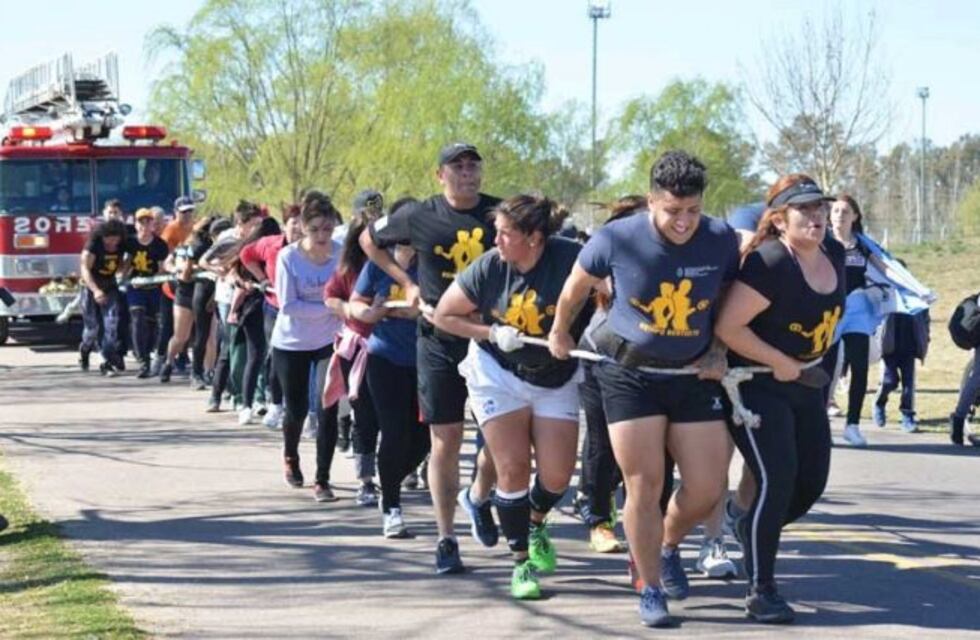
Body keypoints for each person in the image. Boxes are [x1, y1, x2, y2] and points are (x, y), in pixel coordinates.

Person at [549, 151, 738, 627]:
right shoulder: (618, 237)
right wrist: (559, 330)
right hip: (629, 373)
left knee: (707, 486)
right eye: (673, 211)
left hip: (693, 374)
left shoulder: (719, 239)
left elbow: (727, 301)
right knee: (644, 483)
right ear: (652, 201)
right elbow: (575, 286)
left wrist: (718, 349)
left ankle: (667, 544)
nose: (684, 222)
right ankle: (650, 586)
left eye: (693, 210)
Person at [435, 195, 587, 599]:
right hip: (496, 373)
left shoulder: (573, 259)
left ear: (535, 238)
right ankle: (521, 564)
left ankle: (535, 521)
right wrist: (490, 332)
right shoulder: (489, 267)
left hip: (556, 376)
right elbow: (444, 315)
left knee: (556, 475)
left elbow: (609, 292)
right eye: (496, 231)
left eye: (505, 233)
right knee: (514, 467)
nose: (496, 240)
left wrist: (577, 334)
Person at [360, 142, 501, 574]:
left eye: (473, 166)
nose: (467, 173)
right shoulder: (418, 214)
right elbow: (369, 239)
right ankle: (446, 538)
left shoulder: (500, 214)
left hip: (491, 338)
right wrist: (407, 281)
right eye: (457, 167)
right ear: (440, 175)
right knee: (446, 439)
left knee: (499, 437)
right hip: (439, 338)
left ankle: (478, 496)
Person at [714, 173, 844, 624]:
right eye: (804, 210)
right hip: (757, 384)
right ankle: (760, 590)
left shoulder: (835, 254)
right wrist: (779, 360)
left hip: (805, 384)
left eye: (820, 208)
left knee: (811, 484)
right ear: (780, 219)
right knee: (777, 478)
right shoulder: (769, 263)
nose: (816, 216)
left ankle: (750, 529)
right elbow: (728, 328)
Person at [349, 197, 430, 537]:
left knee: (424, 441)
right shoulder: (377, 264)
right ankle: (392, 506)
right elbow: (356, 303)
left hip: (427, 359)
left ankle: (389, 480)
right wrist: (370, 312)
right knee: (394, 433)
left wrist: (420, 310)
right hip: (384, 357)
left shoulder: (432, 264)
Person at [270, 191, 344, 501]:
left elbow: (348, 292)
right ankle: (290, 456)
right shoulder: (289, 257)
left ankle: (322, 478)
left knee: (327, 406)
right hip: (291, 342)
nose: (322, 236)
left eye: (327, 229)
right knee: (297, 409)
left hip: (328, 340)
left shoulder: (340, 254)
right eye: (314, 230)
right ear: (302, 227)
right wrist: (331, 306)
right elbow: (288, 305)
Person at [323, 190, 385, 507]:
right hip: (358, 346)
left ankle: (404, 468)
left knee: (399, 417)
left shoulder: (396, 264)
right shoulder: (347, 267)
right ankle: (366, 480)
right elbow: (331, 296)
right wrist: (351, 310)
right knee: (365, 416)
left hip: (395, 348)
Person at [828, 195, 890, 447]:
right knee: (825, 365)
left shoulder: (863, 245)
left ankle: (852, 425)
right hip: (828, 310)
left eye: (845, 211)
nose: (840, 215)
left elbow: (888, 269)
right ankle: (819, 420)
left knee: (860, 367)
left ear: (855, 216)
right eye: (835, 211)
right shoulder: (822, 243)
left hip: (857, 308)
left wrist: (914, 290)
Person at [240, 204, 303, 429]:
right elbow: (246, 254)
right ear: (285, 224)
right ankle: (275, 404)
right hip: (275, 307)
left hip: (304, 312)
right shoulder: (270, 244)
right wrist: (262, 278)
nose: (298, 226)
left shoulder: (311, 248)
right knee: (277, 355)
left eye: (302, 221)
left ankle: (301, 409)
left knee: (302, 360)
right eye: (294, 221)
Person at [159, 216, 215, 383]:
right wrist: (175, 268)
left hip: (206, 293)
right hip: (185, 293)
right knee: (181, 336)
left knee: (210, 337)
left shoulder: (217, 248)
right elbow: (168, 263)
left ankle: (208, 372)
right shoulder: (187, 247)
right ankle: (168, 362)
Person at [124, 208, 170, 378]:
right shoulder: (130, 243)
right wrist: (123, 277)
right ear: (135, 224)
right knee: (137, 318)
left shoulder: (159, 245)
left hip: (153, 288)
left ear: (152, 224)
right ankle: (143, 361)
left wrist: (154, 279)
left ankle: (151, 354)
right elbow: (127, 263)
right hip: (135, 288)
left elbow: (161, 268)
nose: (144, 225)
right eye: (140, 222)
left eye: (147, 222)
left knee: (153, 324)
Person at [79, 218, 128, 375]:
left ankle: (105, 361)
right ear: (102, 236)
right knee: (92, 329)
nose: (112, 243)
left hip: (110, 286)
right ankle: (84, 351)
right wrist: (95, 290)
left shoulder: (121, 245)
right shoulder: (93, 246)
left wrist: (125, 269)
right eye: (109, 239)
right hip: (90, 286)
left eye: (116, 239)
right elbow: (85, 270)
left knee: (111, 325)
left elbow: (122, 265)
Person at [873, 305, 930, 433]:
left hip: (909, 347)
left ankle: (907, 415)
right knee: (889, 381)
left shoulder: (917, 298)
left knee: (908, 386)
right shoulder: (889, 293)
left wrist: (925, 337)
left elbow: (925, 319)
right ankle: (879, 402)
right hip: (889, 346)